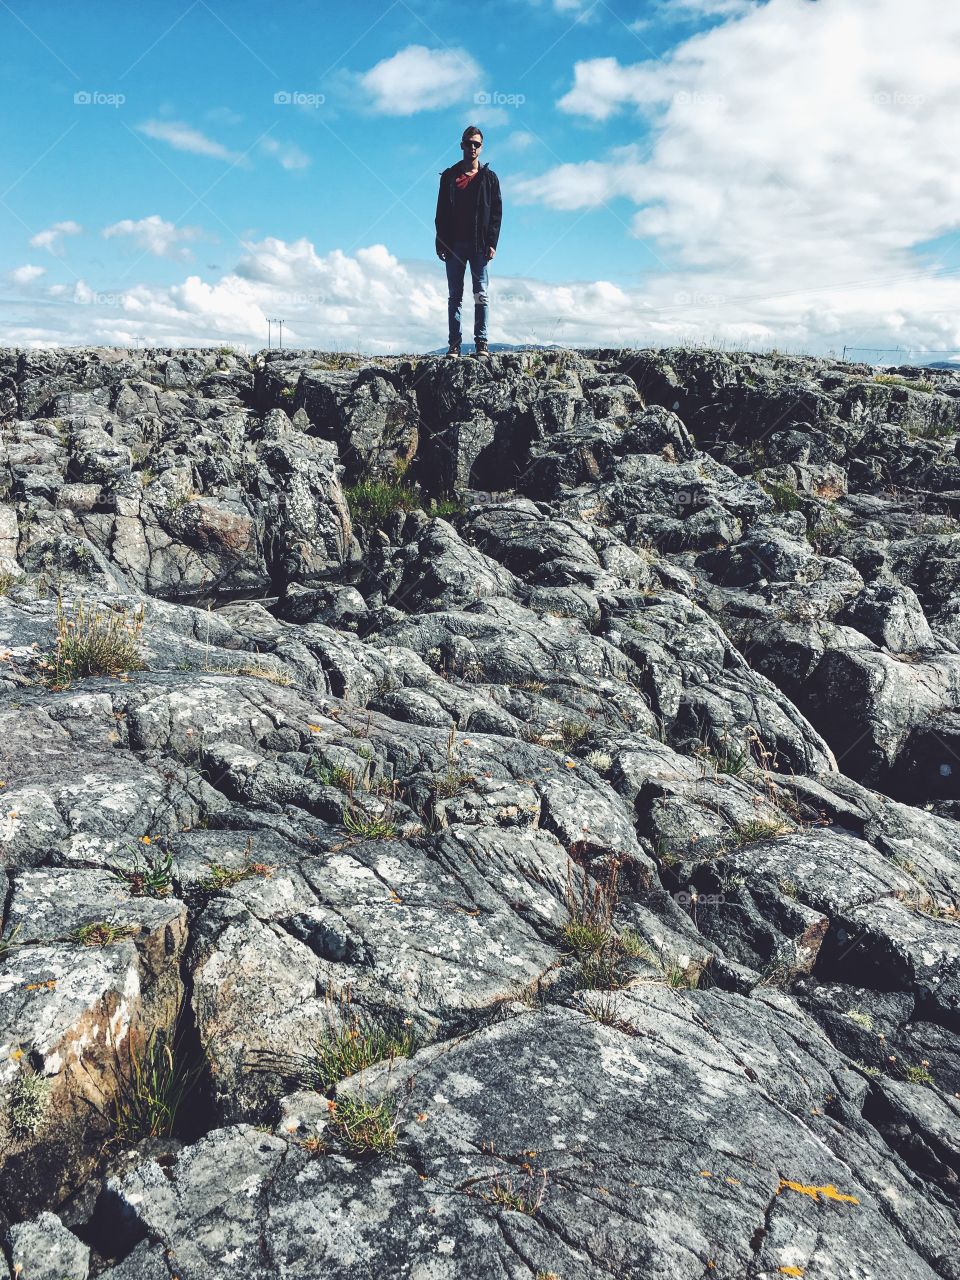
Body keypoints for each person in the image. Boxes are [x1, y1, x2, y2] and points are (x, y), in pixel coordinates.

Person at [435, 125, 502, 358]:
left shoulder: (490, 179)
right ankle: (454, 345)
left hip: (479, 245)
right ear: (461, 145)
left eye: (477, 144)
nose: (472, 147)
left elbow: (496, 213)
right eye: (468, 143)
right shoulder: (449, 177)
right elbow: (441, 212)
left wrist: (492, 242)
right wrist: (440, 242)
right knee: (455, 296)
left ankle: (481, 343)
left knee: (480, 294)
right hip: (453, 245)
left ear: (481, 148)